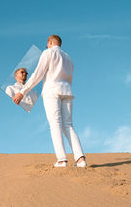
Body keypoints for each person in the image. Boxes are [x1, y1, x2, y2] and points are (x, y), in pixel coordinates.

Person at [12, 35, 86, 168]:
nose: (46, 47)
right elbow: (69, 78)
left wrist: (22, 92)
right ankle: (80, 159)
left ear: (50, 42)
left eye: (47, 44)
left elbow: (37, 75)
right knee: (68, 125)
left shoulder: (48, 53)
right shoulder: (69, 58)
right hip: (67, 91)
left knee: (55, 124)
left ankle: (62, 159)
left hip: (52, 91)